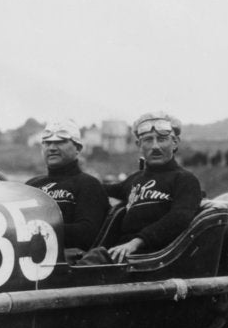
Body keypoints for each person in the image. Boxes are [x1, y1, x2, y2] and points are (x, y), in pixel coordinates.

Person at [84, 111, 202, 264]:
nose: (155, 146)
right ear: (139, 145)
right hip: (121, 255)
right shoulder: (136, 179)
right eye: (148, 140)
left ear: (175, 142)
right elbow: (102, 190)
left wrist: (136, 242)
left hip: (151, 258)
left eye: (162, 139)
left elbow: (178, 218)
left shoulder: (185, 180)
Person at [25, 118, 107, 252]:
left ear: (78, 148)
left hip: (64, 262)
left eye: (60, 142)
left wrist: (37, 228)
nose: (52, 148)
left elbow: (87, 233)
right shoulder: (32, 185)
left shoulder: (88, 184)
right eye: (47, 142)